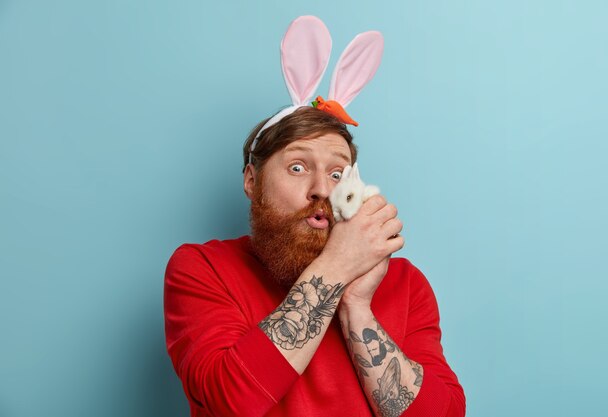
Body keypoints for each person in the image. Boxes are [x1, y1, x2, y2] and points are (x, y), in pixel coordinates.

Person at [163, 106, 466, 417]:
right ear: (252, 181)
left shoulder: (405, 282)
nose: (321, 189)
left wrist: (356, 306)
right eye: (297, 167)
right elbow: (229, 402)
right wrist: (337, 268)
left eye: (338, 174)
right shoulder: (203, 267)